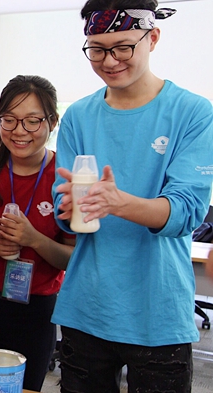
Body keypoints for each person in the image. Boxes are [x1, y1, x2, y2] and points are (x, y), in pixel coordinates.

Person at [52, 1, 213, 391]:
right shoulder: (78, 116)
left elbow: (186, 212)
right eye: (97, 49)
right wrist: (69, 207)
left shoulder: (192, 112)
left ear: (152, 37)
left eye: (122, 47)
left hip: (157, 310)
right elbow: (68, 213)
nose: (109, 61)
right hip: (86, 307)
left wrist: (118, 202)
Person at [0, 75, 75, 391]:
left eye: (32, 122)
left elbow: (72, 258)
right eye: (10, 120)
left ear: (52, 122)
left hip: (37, 308)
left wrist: (34, 240)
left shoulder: (64, 178)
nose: (19, 131)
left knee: (25, 387)